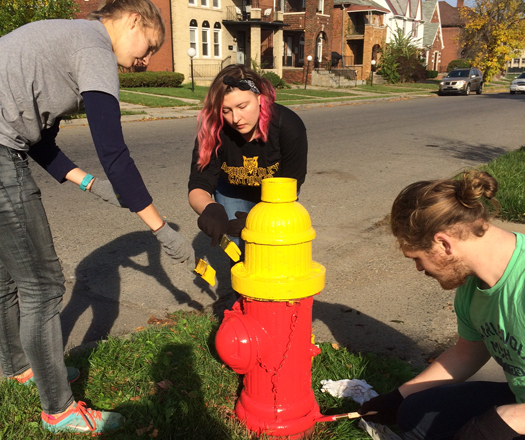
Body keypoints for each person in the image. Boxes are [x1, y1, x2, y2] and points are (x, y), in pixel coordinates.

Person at [0, 0, 194, 434]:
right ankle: (59, 410)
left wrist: (90, 185)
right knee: (43, 286)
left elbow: (40, 144)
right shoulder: (94, 46)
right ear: (131, 21)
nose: (145, 62)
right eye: (149, 46)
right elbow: (114, 151)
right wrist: (162, 230)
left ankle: (20, 367)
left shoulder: (64, 37)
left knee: (8, 277)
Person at [359, 170, 525, 439]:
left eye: (417, 258)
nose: (418, 268)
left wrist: (504, 420)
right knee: (414, 413)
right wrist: (399, 397)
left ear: (443, 243)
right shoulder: (473, 288)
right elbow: (466, 354)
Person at [188, 64, 308, 253]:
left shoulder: (288, 126)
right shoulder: (214, 129)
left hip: (277, 195)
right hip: (232, 191)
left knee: (271, 246)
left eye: (242, 106)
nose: (236, 118)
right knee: (238, 246)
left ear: (260, 99)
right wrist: (210, 209)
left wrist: (259, 220)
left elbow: (291, 186)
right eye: (226, 110)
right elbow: (199, 183)